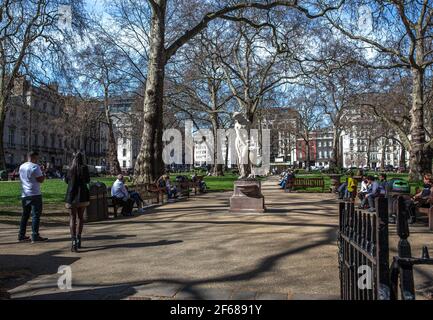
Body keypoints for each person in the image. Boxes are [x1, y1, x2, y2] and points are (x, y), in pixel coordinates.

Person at [18, 151, 48, 243]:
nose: (37, 160)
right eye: (37, 158)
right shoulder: (35, 166)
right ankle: (35, 235)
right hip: (35, 194)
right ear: (34, 157)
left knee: (25, 215)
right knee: (35, 215)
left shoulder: (22, 166)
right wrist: (44, 172)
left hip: (25, 194)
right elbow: (41, 180)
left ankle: (21, 235)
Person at [65, 152, 90, 252]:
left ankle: (73, 241)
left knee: (72, 218)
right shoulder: (84, 168)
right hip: (82, 196)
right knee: (80, 218)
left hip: (71, 196)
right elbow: (88, 180)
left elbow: (66, 181)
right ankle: (79, 239)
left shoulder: (70, 168)